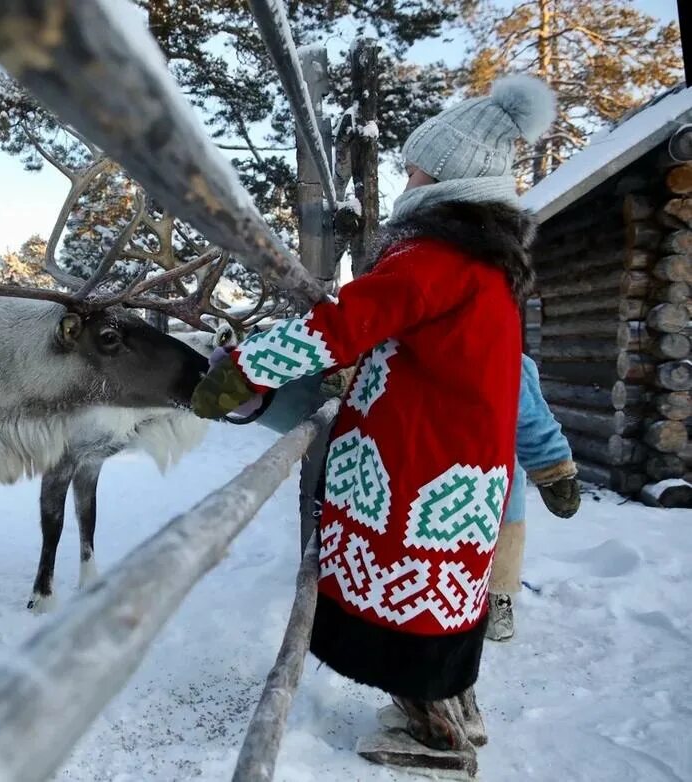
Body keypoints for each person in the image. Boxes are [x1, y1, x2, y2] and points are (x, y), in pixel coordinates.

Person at [191, 74, 557, 778]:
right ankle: (454, 713)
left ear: (446, 179)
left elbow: (343, 324)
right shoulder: (482, 266)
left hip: (418, 468)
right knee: (437, 601)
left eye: (417, 166)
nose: (406, 175)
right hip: (450, 467)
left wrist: (246, 368)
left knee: (408, 608)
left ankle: (440, 740)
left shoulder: (435, 259)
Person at [487, 353, 580, 641]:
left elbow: (528, 412)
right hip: (426, 467)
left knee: (502, 531)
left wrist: (551, 464)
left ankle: (498, 594)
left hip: (495, 470)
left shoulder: (505, 354)